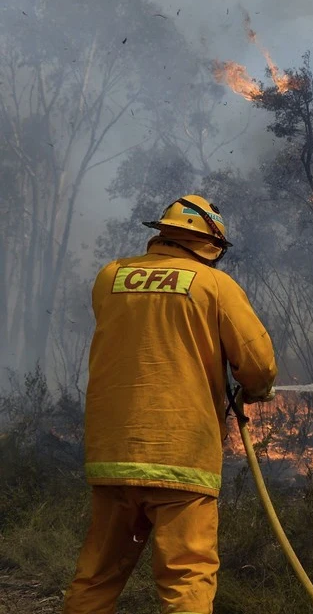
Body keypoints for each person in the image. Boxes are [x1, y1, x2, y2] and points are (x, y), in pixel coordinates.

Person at [64, 195, 277, 614]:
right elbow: (258, 363)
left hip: (112, 457)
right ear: (211, 243)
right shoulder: (213, 285)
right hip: (182, 458)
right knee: (186, 577)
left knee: (96, 576)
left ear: (161, 233)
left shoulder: (110, 276)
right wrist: (256, 388)